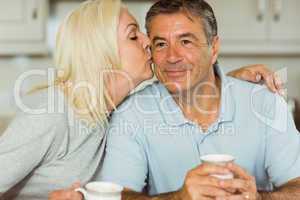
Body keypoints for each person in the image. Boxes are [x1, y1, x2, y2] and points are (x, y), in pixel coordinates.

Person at [0, 0, 280, 200]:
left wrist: (227, 82)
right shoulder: (54, 113)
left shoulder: (112, 110)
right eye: (133, 35)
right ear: (103, 53)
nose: (148, 41)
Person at [95, 0, 300, 200]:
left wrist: (257, 198)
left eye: (185, 42)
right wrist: (179, 198)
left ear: (214, 48)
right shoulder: (132, 113)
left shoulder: (265, 103)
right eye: (160, 44)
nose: (172, 57)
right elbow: (115, 195)